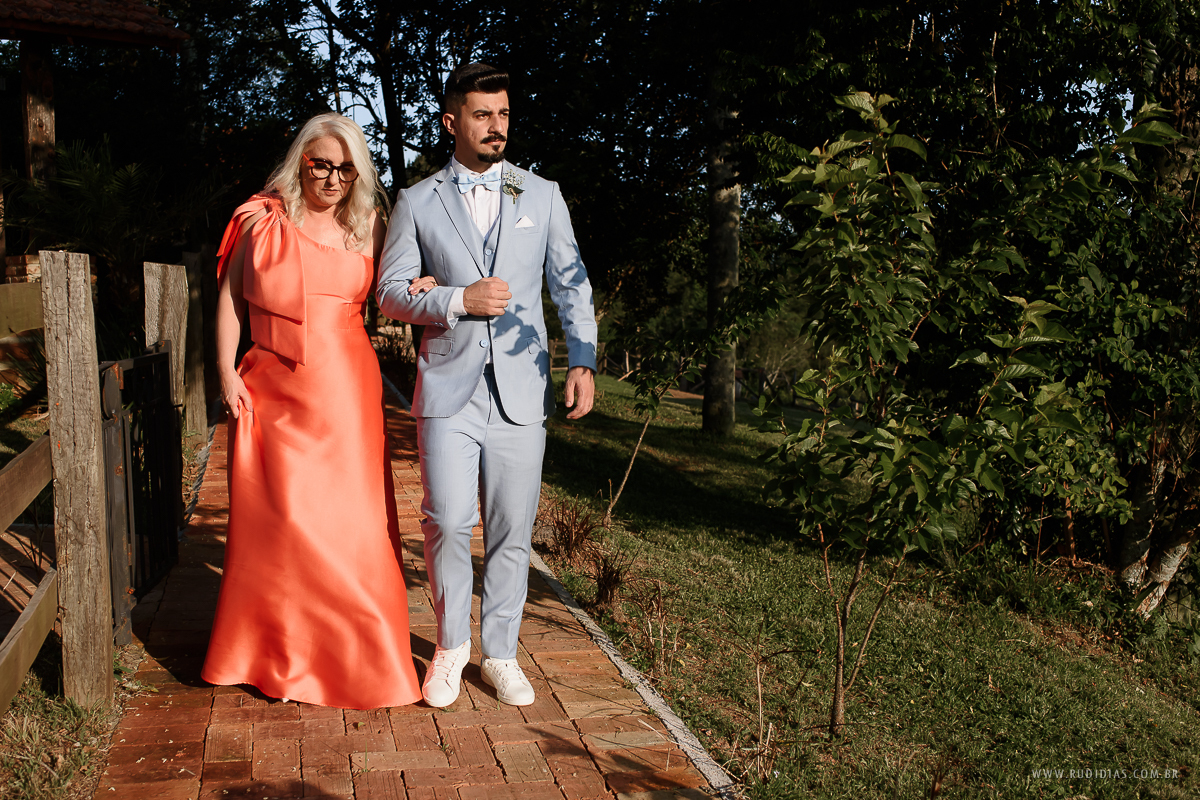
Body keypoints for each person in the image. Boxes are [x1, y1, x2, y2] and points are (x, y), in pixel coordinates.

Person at [376, 63, 598, 708]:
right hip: (449, 385)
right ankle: (450, 647)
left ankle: (500, 652)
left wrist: (581, 360)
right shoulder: (417, 201)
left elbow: (571, 283)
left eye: (502, 114)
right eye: (482, 115)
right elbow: (390, 294)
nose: (496, 126)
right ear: (452, 122)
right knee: (446, 519)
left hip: (522, 387)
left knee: (511, 526)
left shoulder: (543, 195)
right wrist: (455, 299)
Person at [201, 113, 432, 709]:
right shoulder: (261, 220)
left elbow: (393, 293)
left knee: (351, 523)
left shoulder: (372, 224)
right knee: (282, 523)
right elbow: (229, 296)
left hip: (346, 390)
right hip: (272, 388)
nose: (332, 178)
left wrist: (425, 288)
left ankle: (360, 657)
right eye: (320, 164)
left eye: (345, 167)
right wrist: (226, 370)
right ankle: (277, 656)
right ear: (300, 161)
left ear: (358, 172)